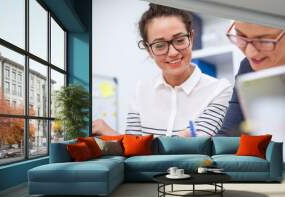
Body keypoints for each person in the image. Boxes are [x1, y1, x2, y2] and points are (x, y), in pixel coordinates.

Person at [93, 4, 232, 137]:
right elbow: (132, 151)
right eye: (160, 46)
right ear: (149, 50)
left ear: (191, 37)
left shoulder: (219, 90)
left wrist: (113, 135)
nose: (172, 53)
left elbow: (191, 148)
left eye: (179, 40)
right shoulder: (140, 91)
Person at [217, 21, 285, 136]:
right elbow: (229, 133)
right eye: (241, 36)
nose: (251, 53)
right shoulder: (247, 66)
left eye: (264, 40)